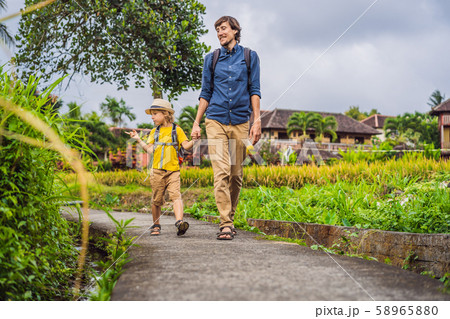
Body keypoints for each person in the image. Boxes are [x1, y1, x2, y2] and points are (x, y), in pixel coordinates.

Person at [191, 16, 261, 240]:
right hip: (216, 119)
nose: (220, 33)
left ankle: (229, 217)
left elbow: (255, 89)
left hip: (241, 121)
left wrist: (256, 120)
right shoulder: (211, 59)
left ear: (235, 30)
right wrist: (196, 121)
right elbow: (205, 92)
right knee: (220, 171)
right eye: (217, 30)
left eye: (223, 29)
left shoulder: (250, 57)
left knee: (236, 174)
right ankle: (225, 223)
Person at [126, 99, 194, 236]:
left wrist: (195, 140)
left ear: (165, 114)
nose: (152, 117)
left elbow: (186, 146)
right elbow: (150, 150)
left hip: (173, 170)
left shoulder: (177, 130)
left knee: (176, 196)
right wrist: (138, 139)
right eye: (152, 114)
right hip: (157, 171)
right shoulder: (154, 132)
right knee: (156, 199)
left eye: (155, 114)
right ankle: (156, 225)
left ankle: (180, 222)